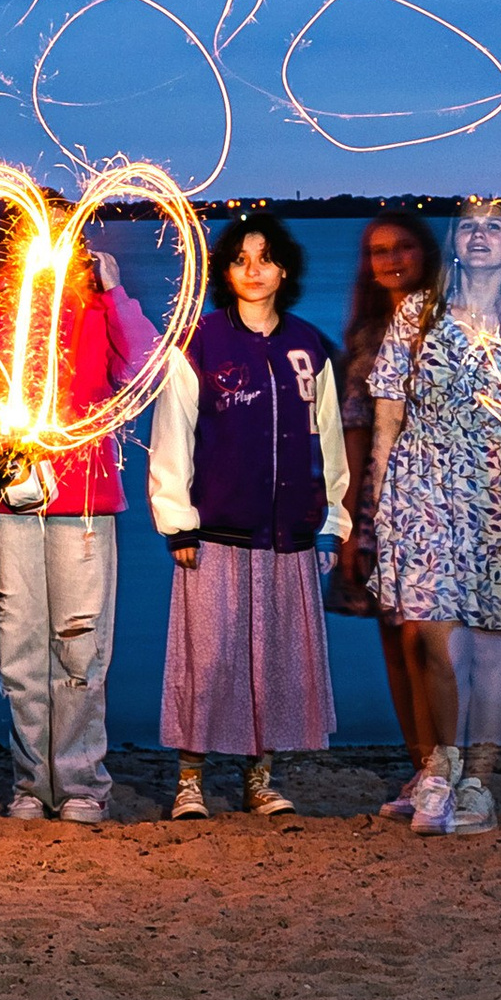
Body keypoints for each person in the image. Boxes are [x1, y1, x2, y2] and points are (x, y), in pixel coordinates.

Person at [367, 197, 501, 835]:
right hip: (425, 481)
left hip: (498, 486)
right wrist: (379, 500)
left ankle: (478, 782)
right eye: (469, 226)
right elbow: (388, 413)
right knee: (432, 635)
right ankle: (438, 770)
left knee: (492, 644)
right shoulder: (417, 312)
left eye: (494, 226)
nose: (480, 236)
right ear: (453, 241)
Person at [148, 212, 347, 820]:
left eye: (265, 258)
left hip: (290, 531)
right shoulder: (199, 342)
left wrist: (333, 520)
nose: (253, 270)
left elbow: (331, 440)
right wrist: (177, 519)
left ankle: (261, 778)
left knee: (276, 658)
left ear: (284, 268)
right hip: (217, 531)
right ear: (225, 271)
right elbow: (172, 436)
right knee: (207, 658)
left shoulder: (310, 346)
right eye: (240, 259)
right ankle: (190, 780)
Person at [0, 197, 159, 825]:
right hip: (12, 498)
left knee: (81, 644)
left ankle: (80, 783)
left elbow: (143, 367)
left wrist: (114, 292)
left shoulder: (96, 299)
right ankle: (31, 782)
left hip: (85, 499)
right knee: (18, 643)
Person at [336, 210, 448, 818]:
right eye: (379, 250)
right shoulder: (365, 334)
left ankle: (442, 767)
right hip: (379, 501)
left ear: (425, 253)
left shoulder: (448, 323)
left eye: (403, 246)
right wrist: (351, 522)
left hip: (433, 502)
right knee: (391, 639)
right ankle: (419, 769)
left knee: (422, 638)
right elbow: (353, 433)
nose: (391, 259)